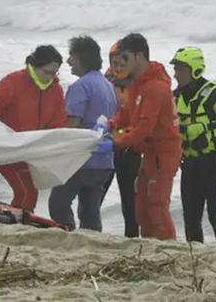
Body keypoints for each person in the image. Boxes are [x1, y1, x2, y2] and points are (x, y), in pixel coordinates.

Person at [107, 33, 181, 240]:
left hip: (163, 153)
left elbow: (144, 127)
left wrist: (116, 141)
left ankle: (168, 247)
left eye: (126, 59)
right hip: (148, 152)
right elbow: (128, 112)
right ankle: (150, 245)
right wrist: (111, 124)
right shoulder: (138, 83)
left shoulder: (156, 87)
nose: (122, 64)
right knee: (141, 208)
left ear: (138, 57)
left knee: (157, 206)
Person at [0, 45, 67, 212]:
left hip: (31, 151)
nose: (50, 77)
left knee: (31, 192)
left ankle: (21, 218)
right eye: (47, 72)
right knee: (25, 190)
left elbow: (58, 122)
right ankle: (20, 218)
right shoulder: (14, 81)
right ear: (35, 66)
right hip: (6, 148)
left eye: (54, 73)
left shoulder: (56, 90)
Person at [171, 47, 216, 244]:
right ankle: (196, 260)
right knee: (191, 220)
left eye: (180, 70)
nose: (176, 74)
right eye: (176, 69)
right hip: (191, 166)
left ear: (195, 70)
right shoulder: (176, 97)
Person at [48, 36, 117, 231]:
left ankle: (66, 234)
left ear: (82, 58)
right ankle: (91, 239)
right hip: (104, 159)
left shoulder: (80, 87)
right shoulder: (108, 85)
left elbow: (72, 125)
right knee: (90, 209)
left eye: (72, 56)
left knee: (58, 203)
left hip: (82, 159)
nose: (68, 61)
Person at [105, 41, 142, 237]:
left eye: (122, 63)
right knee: (97, 196)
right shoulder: (105, 80)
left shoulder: (140, 84)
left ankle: (132, 238)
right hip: (107, 146)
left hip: (130, 148)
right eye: (114, 63)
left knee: (130, 199)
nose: (118, 68)